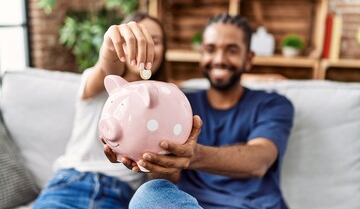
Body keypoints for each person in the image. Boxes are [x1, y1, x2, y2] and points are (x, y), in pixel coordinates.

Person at [113, 13, 295, 209]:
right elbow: (170, 177)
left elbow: (258, 161)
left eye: (231, 50)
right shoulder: (179, 103)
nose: (219, 59)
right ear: (201, 55)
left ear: (248, 58)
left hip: (254, 206)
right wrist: (151, 157)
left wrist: (193, 155)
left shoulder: (273, 104)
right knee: (149, 195)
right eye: (210, 49)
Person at [33, 12, 169, 208]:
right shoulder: (98, 83)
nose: (143, 48)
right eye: (135, 40)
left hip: (121, 194)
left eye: (154, 41)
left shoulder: (168, 103)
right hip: (70, 183)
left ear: (164, 50)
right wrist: (111, 44)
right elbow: (107, 69)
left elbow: (167, 177)